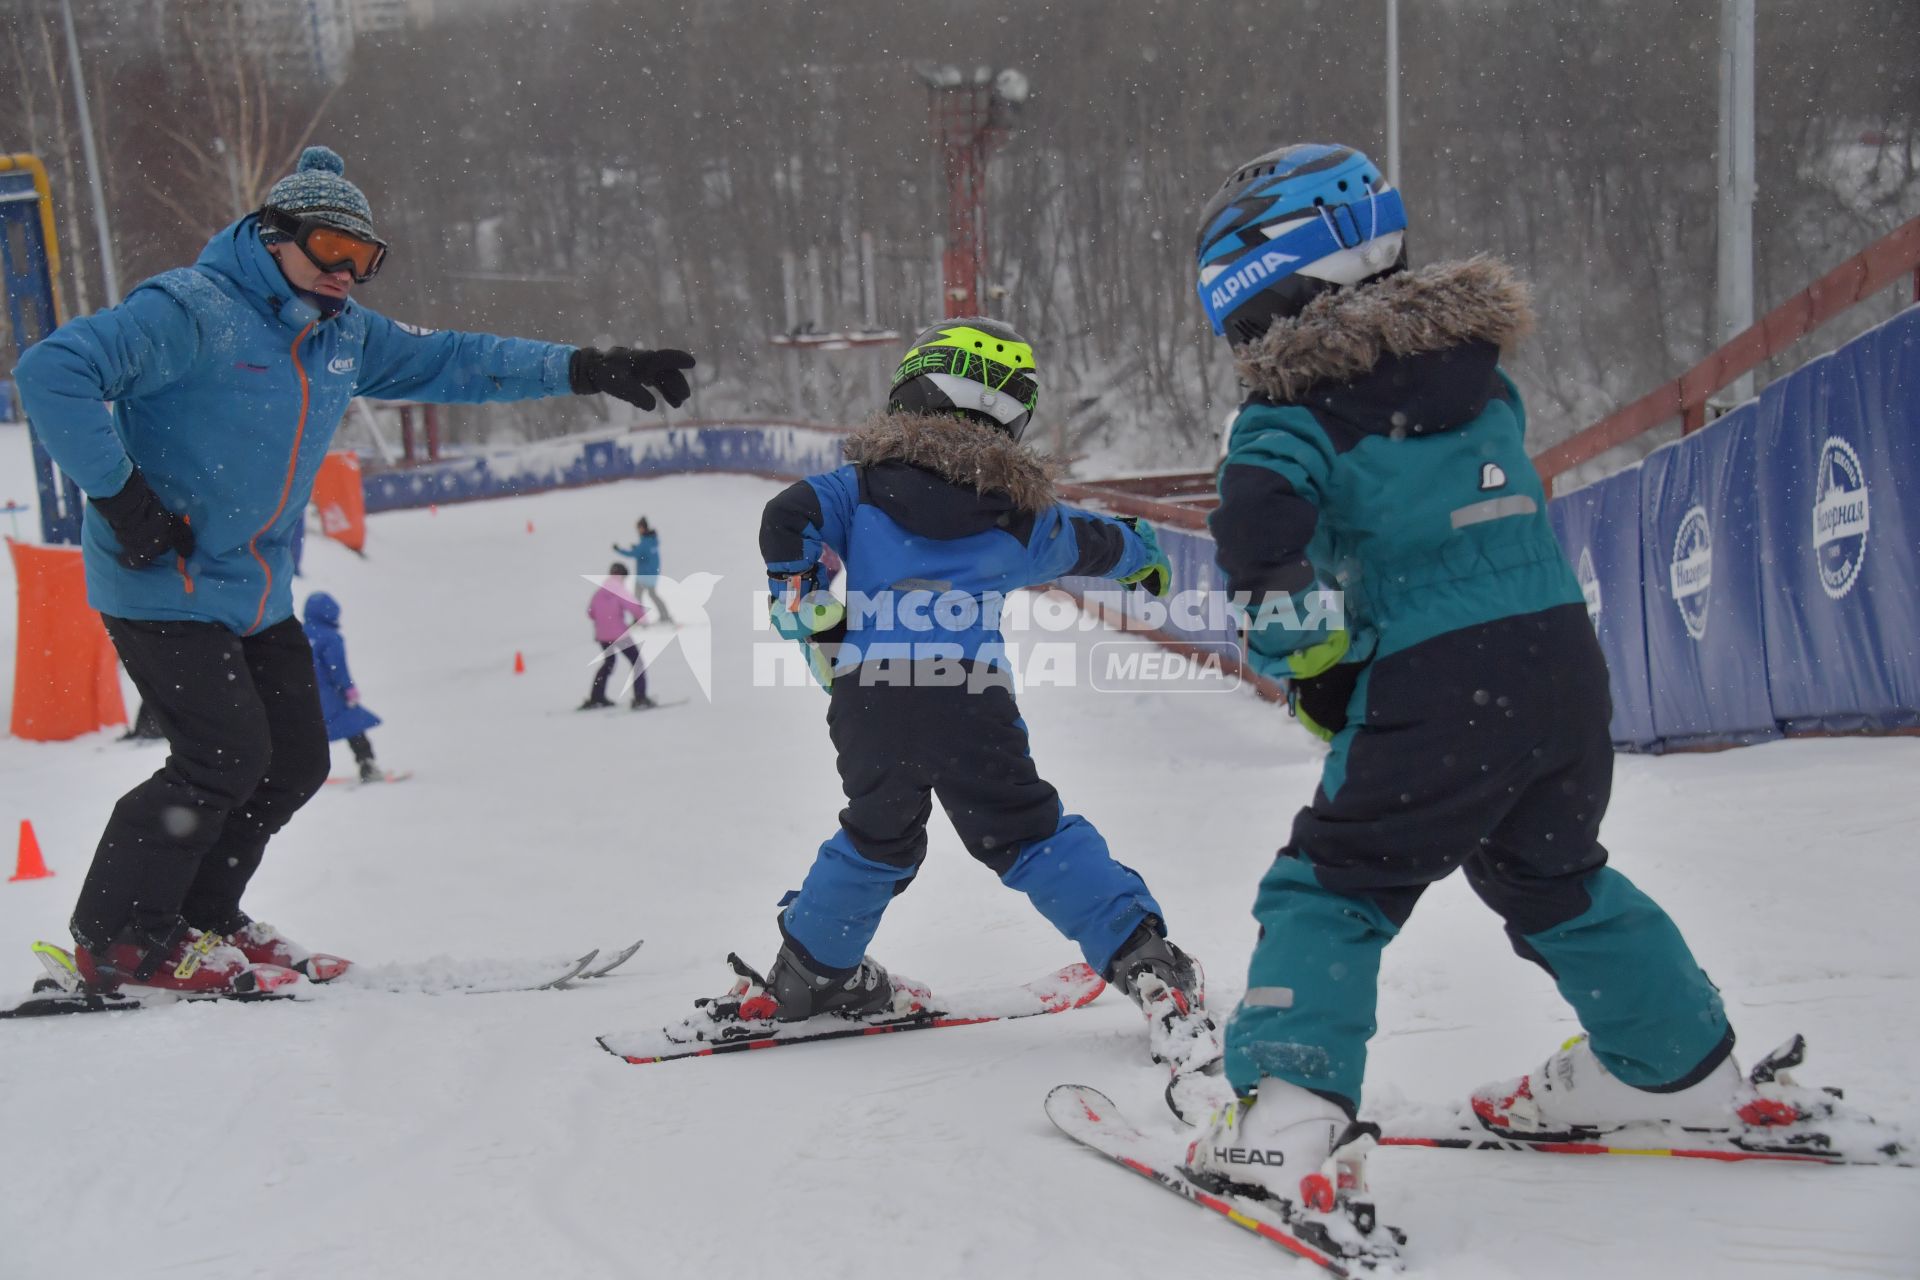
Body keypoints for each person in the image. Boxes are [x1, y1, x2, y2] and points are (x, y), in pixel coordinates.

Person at [1178, 144, 1739, 1237]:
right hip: (1561, 661)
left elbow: (1259, 519)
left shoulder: (1292, 411)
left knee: (1332, 879)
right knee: (1554, 871)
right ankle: (1678, 1063)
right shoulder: (1482, 380)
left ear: (1269, 288)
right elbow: (1441, 518)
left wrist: (1300, 639)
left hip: (1440, 677)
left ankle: (1285, 1116)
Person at [15, 145, 697, 997]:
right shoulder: (189, 311)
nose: (347, 273)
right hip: (161, 582)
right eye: (331, 249)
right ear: (274, 237)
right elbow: (52, 370)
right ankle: (119, 937)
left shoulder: (342, 336)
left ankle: (200, 915)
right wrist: (123, 499)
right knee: (221, 756)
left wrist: (588, 366)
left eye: (365, 258)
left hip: (255, 590)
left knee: (293, 760)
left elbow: (454, 358)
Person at [735, 318, 1218, 1079]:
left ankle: (812, 972)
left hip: (871, 696)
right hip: (968, 695)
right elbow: (1095, 541)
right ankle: (1143, 958)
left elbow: (785, 514)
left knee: (877, 834)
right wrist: (1145, 557)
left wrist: (800, 597)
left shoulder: (856, 490)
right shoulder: (1018, 514)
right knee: (1024, 831)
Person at [302, 592, 384, 783]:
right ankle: (367, 764)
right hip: (330, 693)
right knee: (353, 726)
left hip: (305, 693)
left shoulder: (299, 633)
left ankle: (301, 775)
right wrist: (348, 689)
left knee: (308, 734)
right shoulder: (331, 638)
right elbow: (337, 667)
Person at [582, 563, 653, 709]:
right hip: (619, 635)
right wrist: (643, 621)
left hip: (603, 636)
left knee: (608, 664)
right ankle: (640, 698)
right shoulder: (620, 590)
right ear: (623, 575)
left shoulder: (599, 591)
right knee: (637, 663)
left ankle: (597, 697)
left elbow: (590, 612)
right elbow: (634, 607)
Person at [613, 516, 673, 623]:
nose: (637, 530)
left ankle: (639, 619)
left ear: (643, 527)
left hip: (644, 575)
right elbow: (645, 554)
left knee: (638, 597)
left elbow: (633, 554)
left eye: (638, 528)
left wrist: (618, 550)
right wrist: (637, 548)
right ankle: (665, 616)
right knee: (652, 594)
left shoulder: (645, 543)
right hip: (652, 574)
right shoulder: (652, 540)